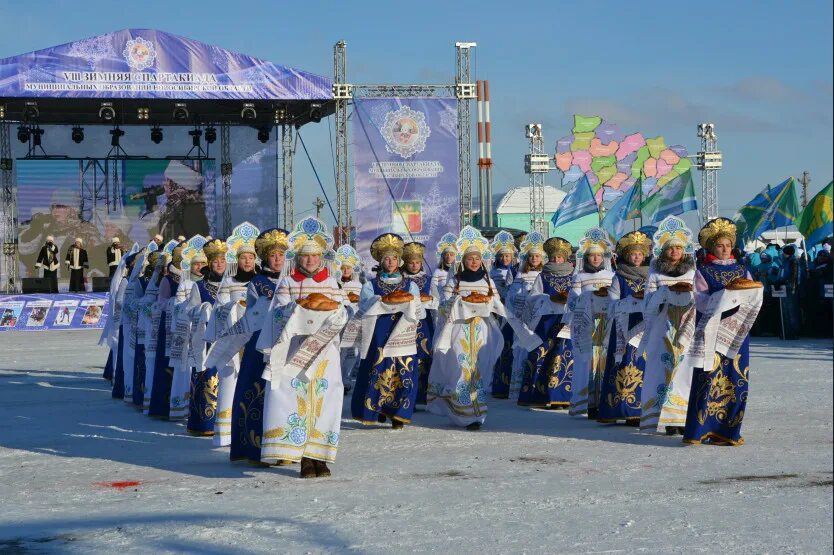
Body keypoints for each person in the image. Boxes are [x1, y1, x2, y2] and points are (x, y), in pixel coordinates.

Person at [260, 217, 346, 477]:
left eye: (315, 256)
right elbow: (277, 315)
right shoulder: (287, 282)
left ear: (322, 257)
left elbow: (341, 313)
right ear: (297, 258)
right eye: (305, 256)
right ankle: (301, 457)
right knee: (294, 399)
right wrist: (297, 312)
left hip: (324, 351)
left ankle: (319, 455)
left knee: (325, 398)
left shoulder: (331, 283)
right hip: (295, 350)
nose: (310, 261)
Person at [428, 226, 536, 429]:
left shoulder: (487, 281)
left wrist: (488, 304)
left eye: (477, 259)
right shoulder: (456, 279)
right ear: (463, 260)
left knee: (480, 367)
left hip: (481, 329)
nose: (474, 262)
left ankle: (477, 410)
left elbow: (496, 302)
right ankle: (462, 412)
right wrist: (458, 303)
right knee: (461, 367)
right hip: (459, 328)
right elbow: (443, 304)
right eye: (470, 259)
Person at [683, 218, 763, 446]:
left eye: (728, 245)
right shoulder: (703, 271)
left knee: (735, 378)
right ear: (711, 248)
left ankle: (728, 430)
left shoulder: (742, 269)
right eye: (720, 245)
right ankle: (700, 429)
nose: (725, 249)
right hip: (711, 331)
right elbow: (699, 300)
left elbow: (752, 294)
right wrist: (725, 297)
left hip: (738, 331)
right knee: (707, 378)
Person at [226, 227, 289, 463]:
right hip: (260, 343)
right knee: (256, 391)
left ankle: (284, 447)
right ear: (265, 258)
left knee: (283, 394)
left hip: (285, 344)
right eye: (273, 255)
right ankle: (254, 447)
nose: (277, 259)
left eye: (281, 255)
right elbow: (249, 313)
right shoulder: (257, 282)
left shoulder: (292, 281)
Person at [351, 233, 421, 429]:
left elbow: (418, 311)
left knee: (404, 370)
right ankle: (379, 408)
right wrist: (379, 302)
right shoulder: (370, 285)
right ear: (381, 261)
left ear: (400, 261)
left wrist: (409, 305)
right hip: (379, 333)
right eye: (387, 259)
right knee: (379, 368)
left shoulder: (410, 285)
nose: (390, 262)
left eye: (394, 259)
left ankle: (398, 413)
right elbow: (364, 307)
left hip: (403, 332)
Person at [638, 217, 697, 435]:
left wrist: (687, 294)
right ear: (664, 250)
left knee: (683, 368)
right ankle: (661, 416)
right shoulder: (655, 270)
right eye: (671, 248)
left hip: (685, 323)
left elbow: (698, 294)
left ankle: (679, 418)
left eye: (679, 248)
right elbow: (648, 298)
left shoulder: (692, 270)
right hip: (662, 323)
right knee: (660, 367)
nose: (675, 252)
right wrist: (665, 295)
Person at [204, 222, 261, 447]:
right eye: (243, 257)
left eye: (251, 257)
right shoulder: (229, 281)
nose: (247, 261)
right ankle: (225, 433)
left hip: (254, 338)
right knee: (229, 382)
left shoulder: (260, 280)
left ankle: (249, 427)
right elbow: (219, 310)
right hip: (233, 339)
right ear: (237, 260)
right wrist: (236, 306)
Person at [597, 231, 652, 425]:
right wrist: (631, 301)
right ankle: (613, 409)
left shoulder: (650, 277)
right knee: (621, 364)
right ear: (626, 256)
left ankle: (635, 410)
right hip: (622, 328)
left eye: (639, 253)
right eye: (632, 253)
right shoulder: (618, 277)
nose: (636, 257)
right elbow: (611, 305)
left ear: (644, 255)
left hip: (644, 328)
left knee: (641, 365)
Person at [518, 236, 575, 408]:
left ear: (565, 258)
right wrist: (549, 298)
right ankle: (537, 394)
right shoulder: (542, 276)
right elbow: (532, 298)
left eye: (560, 257)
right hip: (547, 321)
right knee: (541, 354)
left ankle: (561, 395)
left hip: (567, 320)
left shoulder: (574, 275)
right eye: (554, 257)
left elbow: (580, 296)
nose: (557, 260)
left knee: (564, 355)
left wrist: (570, 299)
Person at [568, 227, 615, 419]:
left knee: (605, 362)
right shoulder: (579, 277)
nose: (595, 259)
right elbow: (573, 301)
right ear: (586, 258)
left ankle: (603, 401)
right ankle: (589, 403)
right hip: (589, 325)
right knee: (589, 363)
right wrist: (590, 298)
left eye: (598, 256)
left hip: (607, 325)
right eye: (591, 256)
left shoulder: (612, 276)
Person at [167, 237, 209, 423]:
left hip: (203, 332)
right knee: (187, 370)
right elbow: (177, 307)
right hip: (188, 332)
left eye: (202, 263)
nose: (199, 267)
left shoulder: (209, 283)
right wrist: (191, 310)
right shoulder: (185, 284)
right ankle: (182, 406)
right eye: (196, 264)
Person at [504, 231, 546, 399]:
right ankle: (518, 387)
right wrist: (522, 298)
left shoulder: (544, 275)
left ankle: (534, 385)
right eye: (532, 256)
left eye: (537, 256)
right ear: (527, 258)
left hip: (537, 318)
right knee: (521, 349)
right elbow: (511, 297)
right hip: (522, 319)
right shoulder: (520, 275)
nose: (535, 259)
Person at [401, 241, 437, 406]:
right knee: (406, 358)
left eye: (417, 262)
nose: (414, 266)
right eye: (411, 262)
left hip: (424, 323)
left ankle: (423, 397)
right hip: (404, 323)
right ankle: (407, 396)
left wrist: (427, 302)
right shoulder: (401, 280)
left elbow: (438, 301)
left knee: (424, 357)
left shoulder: (429, 280)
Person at [488, 230, 519, 398]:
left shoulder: (515, 272)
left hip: (510, 312)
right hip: (497, 312)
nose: (505, 259)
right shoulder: (492, 273)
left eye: (508, 256)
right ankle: (497, 382)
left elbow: (511, 291)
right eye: (503, 256)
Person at [334, 245, 363, 393]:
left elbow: (362, 302)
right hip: (339, 320)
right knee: (339, 350)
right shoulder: (335, 283)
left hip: (354, 320)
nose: (346, 270)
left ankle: (346, 378)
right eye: (343, 267)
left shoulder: (358, 285)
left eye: (349, 268)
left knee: (352, 351)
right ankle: (336, 377)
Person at [775, 244, 801, 340]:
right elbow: (782, 273)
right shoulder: (785, 261)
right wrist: (778, 281)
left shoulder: (793, 261)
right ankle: (786, 330)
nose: (783, 254)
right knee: (784, 310)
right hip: (784, 288)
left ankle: (794, 332)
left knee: (791, 311)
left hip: (790, 288)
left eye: (784, 253)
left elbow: (794, 275)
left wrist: (786, 282)